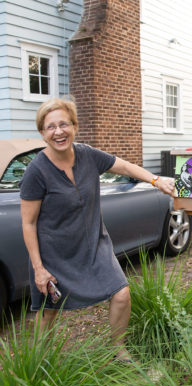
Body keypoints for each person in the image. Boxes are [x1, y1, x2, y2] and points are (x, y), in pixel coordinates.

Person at [20, 97, 176, 361]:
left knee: (121, 293)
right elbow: (28, 222)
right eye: (50, 127)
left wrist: (155, 179)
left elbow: (123, 166)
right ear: (42, 133)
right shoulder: (36, 171)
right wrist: (38, 268)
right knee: (48, 311)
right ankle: (34, 362)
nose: (58, 131)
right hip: (54, 254)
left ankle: (117, 349)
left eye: (64, 124)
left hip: (94, 244)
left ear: (74, 126)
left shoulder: (87, 155)